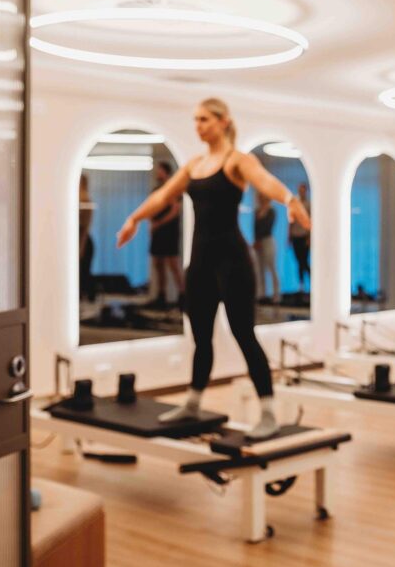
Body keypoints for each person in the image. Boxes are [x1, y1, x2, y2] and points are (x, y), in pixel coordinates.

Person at [116, 98, 311, 438]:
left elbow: (264, 181)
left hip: (233, 261)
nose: (199, 126)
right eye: (195, 120)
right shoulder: (194, 165)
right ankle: (192, 402)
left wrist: (290, 200)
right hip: (201, 263)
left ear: (223, 122)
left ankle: (268, 412)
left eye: (204, 119)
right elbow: (163, 197)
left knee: (244, 334)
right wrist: (134, 218)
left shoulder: (237, 161)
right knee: (201, 338)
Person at [148, 161, 185, 309]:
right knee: (158, 263)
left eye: (159, 171)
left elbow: (175, 211)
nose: (157, 173)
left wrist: (160, 223)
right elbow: (150, 208)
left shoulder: (173, 189)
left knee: (173, 263)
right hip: (158, 231)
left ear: (166, 172)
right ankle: (161, 295)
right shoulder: (156, 190)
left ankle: (183, 295)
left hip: (169, 231)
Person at [252, 192, 280, 304]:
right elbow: (255, 227)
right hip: (259, 242)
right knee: (260, 269)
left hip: (267, 240)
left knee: (271, 267)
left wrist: (259, 239)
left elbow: (268, 226)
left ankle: (276, 295)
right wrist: (256, 240)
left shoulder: (271, 211)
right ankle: (261, 294)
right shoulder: (257, 211)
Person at [289, 182, 311, 294]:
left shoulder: (309, 204)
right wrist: (289, 236)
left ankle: (313, 281)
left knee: (304, 261)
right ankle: (301, 285)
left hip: (304, 236)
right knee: (299, 261)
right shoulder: (294, 203)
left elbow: (311, 222)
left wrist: (309, 238)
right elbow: (291, 220)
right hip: (295, 236)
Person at [79, 175, 96, 302]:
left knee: (83, 272)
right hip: (79, 239)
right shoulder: (78, 199)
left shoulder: (85, 200)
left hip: (83, 241)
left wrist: (81, 246)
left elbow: (85, 227)